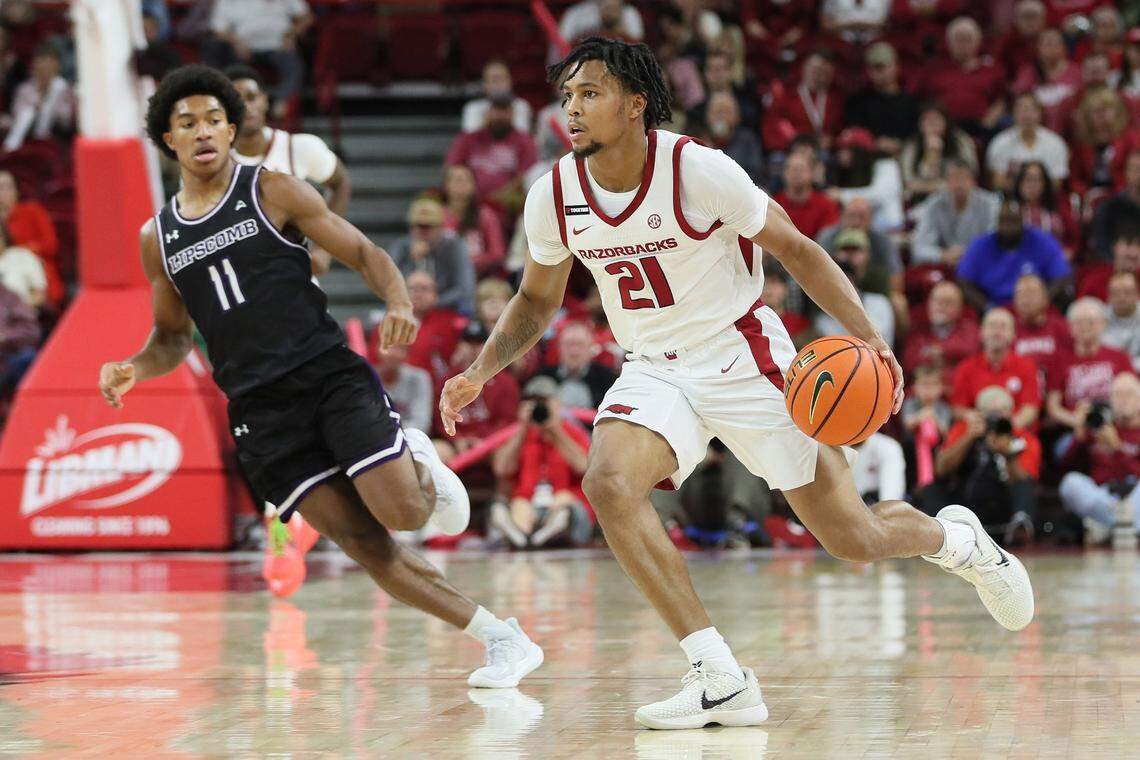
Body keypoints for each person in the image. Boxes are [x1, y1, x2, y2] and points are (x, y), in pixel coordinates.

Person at [440, 37, 1034, 731]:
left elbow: (799, 251)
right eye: (568, 96)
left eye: (590, 94)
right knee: (606, 482)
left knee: (855, 538)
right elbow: (537, 300)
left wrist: (869, 334)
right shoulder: (555, 193)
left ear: (636, 106)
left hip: (744, 356)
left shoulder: (698, 170)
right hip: (654, 367)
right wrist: (480, 371)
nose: (572, 109)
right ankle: (718, 675)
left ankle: (959, 544)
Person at [99, 65, 543, 689]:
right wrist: (134, 368)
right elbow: (172, 338)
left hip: (325, 375)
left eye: (213, 120)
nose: (202, 132)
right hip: (260, 413)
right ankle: (503, 639)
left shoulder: (273, 189)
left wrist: (397, 301)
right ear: (167, 139)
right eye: (186, 123)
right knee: (366, 547)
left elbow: (365, 252)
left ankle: (416, 459)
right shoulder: (159, 238)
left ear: (231, 129)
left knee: (409, 515)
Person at [225, 65, 350, 276]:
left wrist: (324, 249)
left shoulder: (299, 147)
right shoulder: (210, 164)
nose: (246, 106)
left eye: (251, 97)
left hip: (295, 280)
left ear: (264, 100)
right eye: (236, 100)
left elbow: (341, 183)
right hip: (241, 282)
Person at [916, 385, 1041, 543]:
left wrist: (1008, 454)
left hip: (1003, 499)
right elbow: (941, 469)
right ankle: (943, 529)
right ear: (979, 413)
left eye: (1002, 411)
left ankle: (1019, 526)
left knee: (1025, 487)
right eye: (990, 412)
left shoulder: (1024, 438)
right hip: (967, 498)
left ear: (1011, 413)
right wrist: (969, 438)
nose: (997, 417)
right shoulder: (964, 429)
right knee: (931, 489)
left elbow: (1024, 480)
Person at [490, 375, 594, 549]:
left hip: (567, 507)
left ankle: (537, 534)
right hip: (529, 505)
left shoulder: (573, 433)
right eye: (532, 402)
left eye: (543, 402)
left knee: (563, 502)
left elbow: (584, 466)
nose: (538, 407)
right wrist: (522, 429)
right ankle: (523, 536)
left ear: (557, 404)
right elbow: (501, 468)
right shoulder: (519, 435)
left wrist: (555, 430)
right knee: (519, 504)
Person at [1058, 372, 1140, 543]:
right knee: (1070, 482)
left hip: (1135, 495)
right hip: (1104, 497)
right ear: (1110, 400)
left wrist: (1117, 449)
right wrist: (1079, 435)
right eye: (1118, 394)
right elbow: (1065, 465)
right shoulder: (1098, 426)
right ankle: (1124, 527)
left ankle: (1108, 526)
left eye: (1129, 394)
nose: (1123, 399)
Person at [957, 198, 1072, 309]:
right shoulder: (981, 245)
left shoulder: (1041, 241)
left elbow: (1062, 276)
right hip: (994, 307)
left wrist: (1042, 300)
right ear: (997, 222)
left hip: (1035, 308)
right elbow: (964, 280)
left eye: (1013, 221)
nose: (1008, 227)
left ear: (1022, 221)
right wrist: (987, 307)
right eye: (1004, 221)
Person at [206, 0, 310, 120]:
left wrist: (292, 35)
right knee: (233, 71)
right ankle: (236, 107)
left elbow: (306, 17)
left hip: (280, 46)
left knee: (295, 68)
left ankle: (281, 101)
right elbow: (217, 29)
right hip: (244, 48)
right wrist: (236, 42)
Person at [1043, 297, 1134, 433]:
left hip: (1116, 426)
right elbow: (1053, 407)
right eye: (1079, 323)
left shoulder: (1120, 357)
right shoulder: (1059, 359)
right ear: (1070, 327)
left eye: (1090, 322)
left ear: (1103, 324)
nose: (1085, 327)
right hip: (1073, 428)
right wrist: (1077, 421)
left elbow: (1133, 396)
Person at [446, 93, 538, 213]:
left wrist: (497, 197)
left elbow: (525, 175)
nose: (499, 115)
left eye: (505, 110)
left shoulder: (524, 141)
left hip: (507, 202)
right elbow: (452, 167)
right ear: (488, 112)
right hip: (469, 200)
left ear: (512, 113)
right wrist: (468, 192)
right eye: (496, 110)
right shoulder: (468, 139)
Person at [951, 308, 1041, 431]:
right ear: (981, 332)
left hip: (1015, 432)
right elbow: (958, 409)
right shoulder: (966, 368)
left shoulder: (1027, 366)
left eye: (1003, 327)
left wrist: (1005, 430)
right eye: (992, 326)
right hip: (978, 432)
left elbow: (1030, 410)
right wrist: (973, 419)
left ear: (1013, 334)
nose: (997, 332)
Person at [387, 198, 475, 314]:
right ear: (411, 228)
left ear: (441, 228)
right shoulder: (401, 247)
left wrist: (435, 302)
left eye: (428, 227)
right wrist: (411, 260)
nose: (423, 232)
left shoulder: (455, 246)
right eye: (419, 226)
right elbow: (388, 284)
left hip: (447, 307)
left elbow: (465, 288)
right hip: (410, 307)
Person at [919, 17, 1006, 135]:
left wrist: (989, 120)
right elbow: (925, 101)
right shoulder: (935, 69)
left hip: (980, 128)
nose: (963, 44)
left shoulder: (992, 69)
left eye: (968, 39)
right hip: (944, 130)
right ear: (949, 42)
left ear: (978, 41)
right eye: (958, 39)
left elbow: (1001, 100)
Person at [909, 160, 998, 267]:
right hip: (945, 265)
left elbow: (995, 244)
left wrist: (969, 255)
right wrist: (942, 255)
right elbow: (919, 249)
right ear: (946, 181)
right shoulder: (934, 204)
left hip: (979, 264)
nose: (959, 184)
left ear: (973, 182)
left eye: (964, 178)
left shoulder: (990, 204)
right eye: (954, 178)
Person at [0, 170, 63, 307]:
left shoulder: (33, 211)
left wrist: (21, 250)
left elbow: (51, 245)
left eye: (6, 187)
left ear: (16, 191)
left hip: (36, 281)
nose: (2, 193)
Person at [844, 42, 918, 157]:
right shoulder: (858, 102)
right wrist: (875, 143)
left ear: (896, 67)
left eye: (882, 67)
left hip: (905, 158)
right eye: (873, 68)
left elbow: (917, 134)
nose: (878, 72)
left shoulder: (912, 103)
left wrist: (901, 145)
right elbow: (852, 132)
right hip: (868, 159)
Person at [901, 280, 980, 389]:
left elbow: (969, 349)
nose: (941, 306)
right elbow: (909, 361)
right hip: (924, 392)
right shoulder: (918, 328)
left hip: (956, 390)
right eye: (937, 301)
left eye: (947, 302)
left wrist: (940, 351)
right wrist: (946, 357)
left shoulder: (968, 326)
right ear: (929, 304)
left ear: (959, 307)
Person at [763, 49, 845, 152]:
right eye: (815, 70)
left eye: (825, 72)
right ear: (804, 67)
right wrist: (797, 142)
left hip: (824, 152)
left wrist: (832, 141)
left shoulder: (837, 98)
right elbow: (774, 124)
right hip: (788, 150)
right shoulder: (784, 92)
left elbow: (839, 130)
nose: (819, 75)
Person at [985, 93, 1070, 190]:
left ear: (1040, 113)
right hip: (1010, 200)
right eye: (1022, 109)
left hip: (1045, 201)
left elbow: (1056, 183)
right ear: (1013, 113)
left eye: (1032, 110)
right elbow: (997, 182)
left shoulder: (1055, 143)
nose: (1027, 115)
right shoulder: (1000, 143)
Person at [899, 103, 980, 204]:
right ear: (919, 124)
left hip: (955, 197)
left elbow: (971, 173)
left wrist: (934, 186)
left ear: (946, 122)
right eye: (927, 119)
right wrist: (930, 155)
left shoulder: (960, 141)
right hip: (920, 200)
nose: (932, 123)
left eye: (936, 119)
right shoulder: (912, 146)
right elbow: (909, 182)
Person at [2, 42, 74, 152]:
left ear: (57, 65)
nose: (45, 66)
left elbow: (66, 121)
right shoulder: (24, 89)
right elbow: (16, 118)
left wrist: (49, 100)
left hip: (53, 143)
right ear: (34, 64)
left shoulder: (64, 89)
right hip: (26, 141)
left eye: (50, 61)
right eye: (41, 61)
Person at [437, 164, 506, 277]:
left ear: (474, 185)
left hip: (480, 276)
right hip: (444, 276)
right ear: (445, 185)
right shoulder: (437, 215)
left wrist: (472, 262)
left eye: (466, 180)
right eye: (457, 180)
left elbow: (497, 253)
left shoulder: (485, 215)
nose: (461, 184)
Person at [1013, 28, 1082, 133]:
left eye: (1055, 44)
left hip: (1070, 128)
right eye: (1047, 44)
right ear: (1039, 48)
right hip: (1035, 125)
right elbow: (1020, 100)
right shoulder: (1028, 72)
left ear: (1064, 47)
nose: (1051, 48)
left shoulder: (1076, 72)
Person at [536, 320, 618, 410]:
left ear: (591, 348)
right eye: (569, 344)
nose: (574, 351)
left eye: (580, 345)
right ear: (559, 348)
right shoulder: (544, 376)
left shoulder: (608, 379)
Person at [1012, 160, 1080, 258]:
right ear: (1019, 183)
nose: (1032, 185)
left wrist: (1067, 254)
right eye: (1027, 179)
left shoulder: (1059, 207)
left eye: (1037, 180)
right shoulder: (1011, 210)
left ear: (1045, 184)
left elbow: (1074, 239)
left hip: (1055, 262)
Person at [692, 92, 764, 183]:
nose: (721, 116)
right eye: (717, 111)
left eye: (726, 111)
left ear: (737, 117)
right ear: (707, 116)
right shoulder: (697, 142)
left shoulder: (748, 140)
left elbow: (756, 173)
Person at [772, 151, 839, 241]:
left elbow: (828, 240)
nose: (796, 173)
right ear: (784, 173)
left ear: (811, 173)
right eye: (792, 169)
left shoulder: (826, 205)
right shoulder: (774, 205)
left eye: (801, 169)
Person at [1090, 149, 1140, 262]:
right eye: (1136, 168)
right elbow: (1101, 248)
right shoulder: (1108, 209)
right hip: (1116, 270)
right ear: (1126, 172)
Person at [1012, 272, 1071, 366]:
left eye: (1032, 293)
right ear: (1014, 302)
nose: (1026, 299)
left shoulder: (1062, 328)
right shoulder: (1009, 331)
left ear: (1045, 299)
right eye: (1021, 294)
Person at [461, 59, 533, 135]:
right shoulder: (473, 108)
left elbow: (523, 137)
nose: (498, 84)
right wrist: (487, 120)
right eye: (493, 80)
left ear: (510, 82)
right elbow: (469, 140)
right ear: (485, 85)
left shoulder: (521, 105)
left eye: (501, 79)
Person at [375, 343, 433, 435]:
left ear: (407, 354)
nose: (392, 353)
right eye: (387, 347)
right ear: (377, 349)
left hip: (411, 439)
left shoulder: (419, 378)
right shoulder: (367, 379)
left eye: (399, 348)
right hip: (376, 442)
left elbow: (422, 423)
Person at [1079, 224, 1140, 300]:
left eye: (1138, 245)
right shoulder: (1095, 283)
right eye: (1128, 244)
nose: (1134, 253)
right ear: (1114, 246)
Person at [0, 221, 46, 309]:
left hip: (20, 317)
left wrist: (16, 309)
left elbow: (39, 296)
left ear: (5, 236)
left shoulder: (24, 256)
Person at [1101, 272, 1140, 369]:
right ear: (1108, 296)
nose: (1122, 298)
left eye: (1127, 292)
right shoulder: (1100, 319)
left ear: (1137, 294)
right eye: (1116, 293)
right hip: (1111, 371)